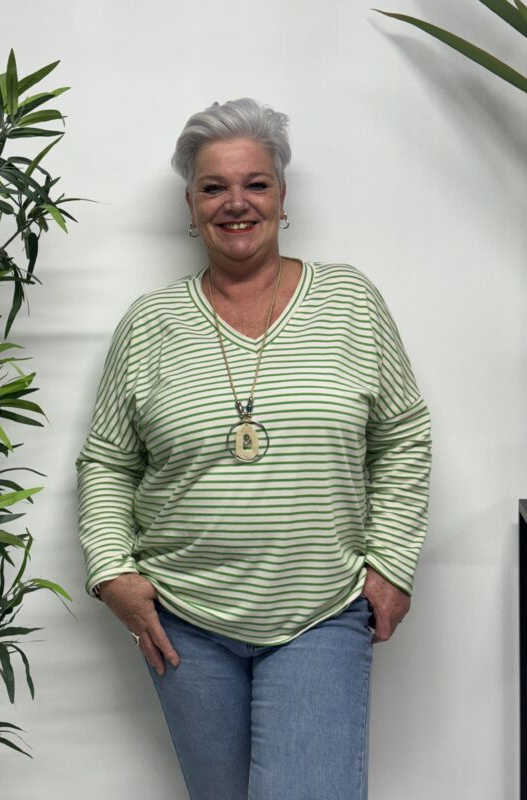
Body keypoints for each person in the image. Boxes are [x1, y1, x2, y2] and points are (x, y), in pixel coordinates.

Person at [75, 97, 432, 800]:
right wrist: (112, 571)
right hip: (182, 617)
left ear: (282, 196)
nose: (235, 202)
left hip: (321, 610)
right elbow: (109, 462)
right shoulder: (149, 323)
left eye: (255, 183)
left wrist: (391, 562)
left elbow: (401, 436)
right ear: (191, 205)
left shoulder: (351, 302)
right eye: (214, 187)